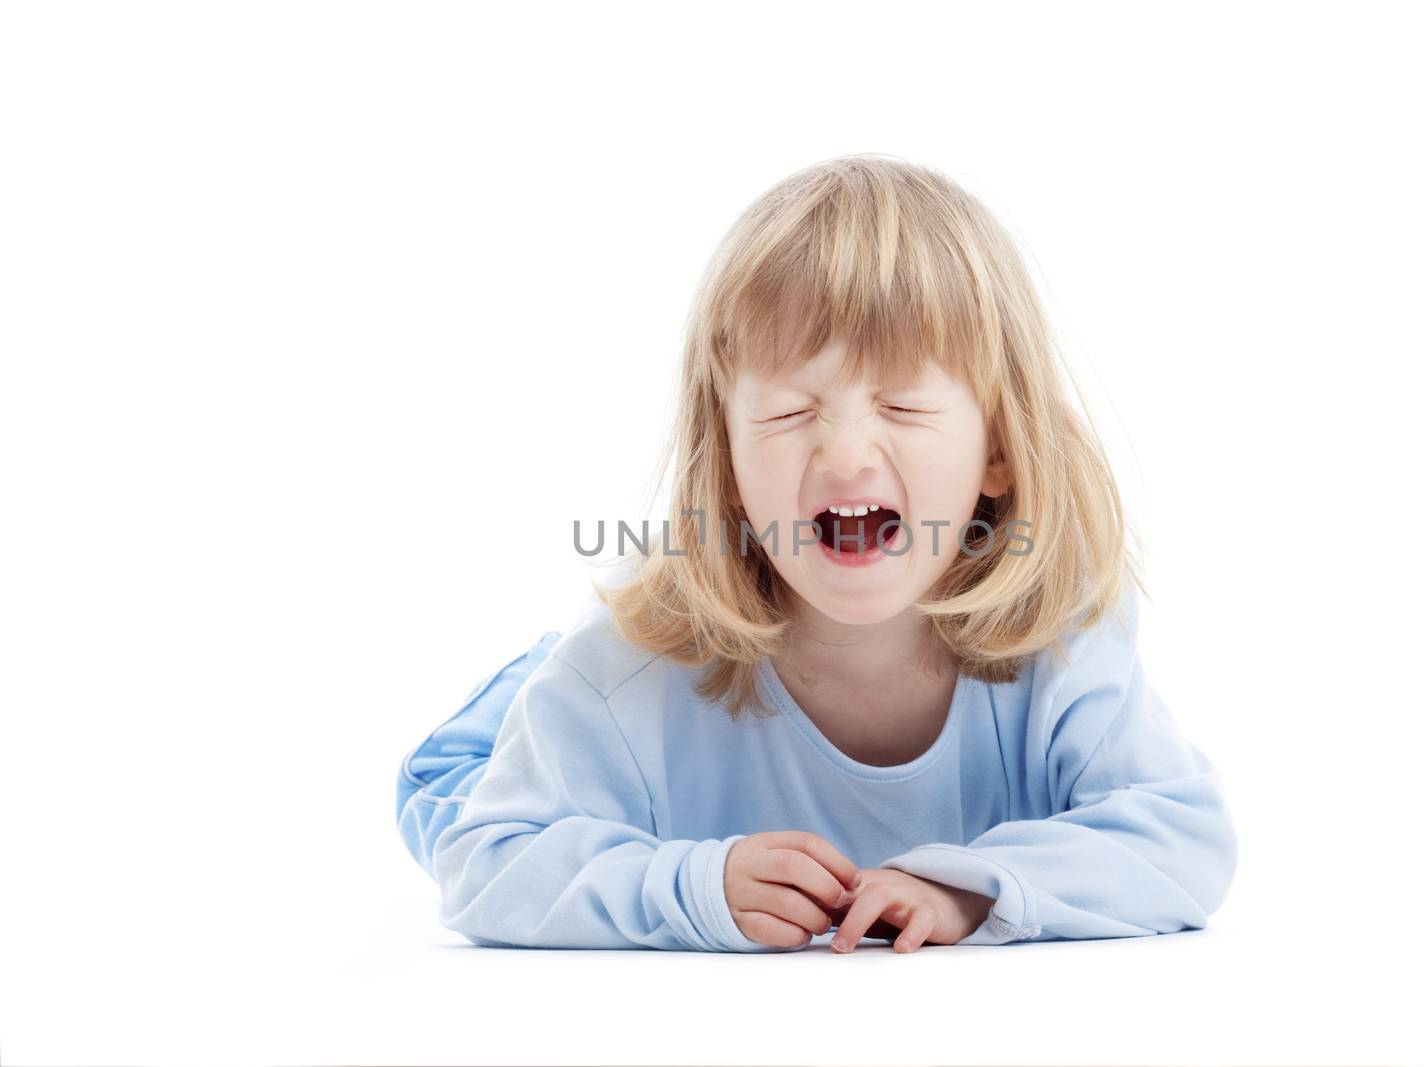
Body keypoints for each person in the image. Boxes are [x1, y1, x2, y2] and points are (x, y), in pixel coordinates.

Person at [394, 154, 1238, 953]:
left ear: (999, 452)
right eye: (792, 411)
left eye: (902, 406)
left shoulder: (1062, 646)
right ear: (725, 466)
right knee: (462, 769)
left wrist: (974, 888)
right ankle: (531, 675)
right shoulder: (625, 672)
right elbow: (484, 857)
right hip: (549, 718)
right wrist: (694, 882)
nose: (845, 453)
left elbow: (1184, 837)